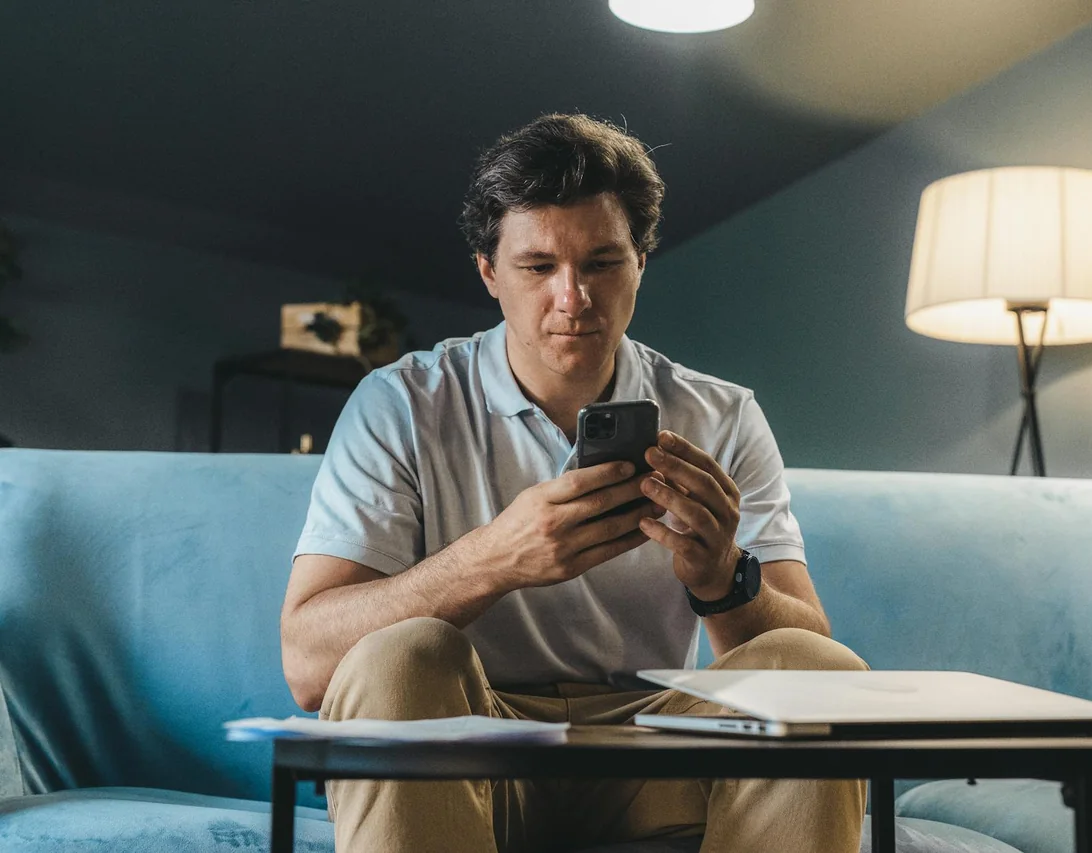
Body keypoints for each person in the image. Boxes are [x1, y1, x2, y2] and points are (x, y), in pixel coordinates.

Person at [280, 113, 868, 853]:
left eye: (602, 262)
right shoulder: (402, 403)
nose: (573, 298)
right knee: (403, 655)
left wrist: (722, 580)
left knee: (814, 669)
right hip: (468, 746)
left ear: (640, 263)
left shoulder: (721, 415)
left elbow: (807, 653)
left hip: (657, 748)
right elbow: (308, 666)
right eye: (537, 267)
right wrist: (494, 558)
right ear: (489, 273)